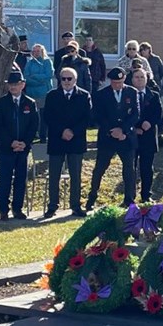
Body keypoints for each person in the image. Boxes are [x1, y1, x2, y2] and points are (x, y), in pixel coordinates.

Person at [86, 67, 140, 209]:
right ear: (111, 81)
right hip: (107, 138)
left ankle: (129, 199)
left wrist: (123, 131)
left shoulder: (132, 92)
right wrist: (111, 131)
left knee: (129, 169)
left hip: (125, 137)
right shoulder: (101, 94)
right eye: (115, 82)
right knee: (100, 169)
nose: (118, 85)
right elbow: (97, 116)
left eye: (121, 82)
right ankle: (91, 198)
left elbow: (135, 114)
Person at [42, 67, 92, 218]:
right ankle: (52, 206)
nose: (66, 82)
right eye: (63, 79)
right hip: (57, 140)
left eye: (69, 79)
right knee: (54, 175)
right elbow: (48, 117)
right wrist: (62, 131)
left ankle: (76, 206)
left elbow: (87, 118)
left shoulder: (84, 95)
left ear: (75, 80)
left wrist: (73, 131)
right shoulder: (52, 95)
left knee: (75, 175)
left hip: (76, 141)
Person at [0, 68, 39, 221]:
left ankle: (17, 208)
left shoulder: (30, 103)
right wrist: (11, 142)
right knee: (4, 179)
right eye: (10, 84)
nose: (13, 87)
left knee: (20, 179)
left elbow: (34, 125)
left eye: (16, 84)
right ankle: (3, 209)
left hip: (23, 149)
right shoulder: (0, 103)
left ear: (22, 85)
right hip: (6, 148)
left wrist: (25, 143)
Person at [130, 66, 162, 202]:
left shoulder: (154, 95)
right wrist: (135, 127)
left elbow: (158, 113)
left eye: (142, 77)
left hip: (148, 137)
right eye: (136, 77)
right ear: (132, 79)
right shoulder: (127, 93)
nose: (139, 79)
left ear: (147, 78)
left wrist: (149, 122)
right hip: (132, 136)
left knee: (147, 168)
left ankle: (146, 195)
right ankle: (129, 196)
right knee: (130, 168)